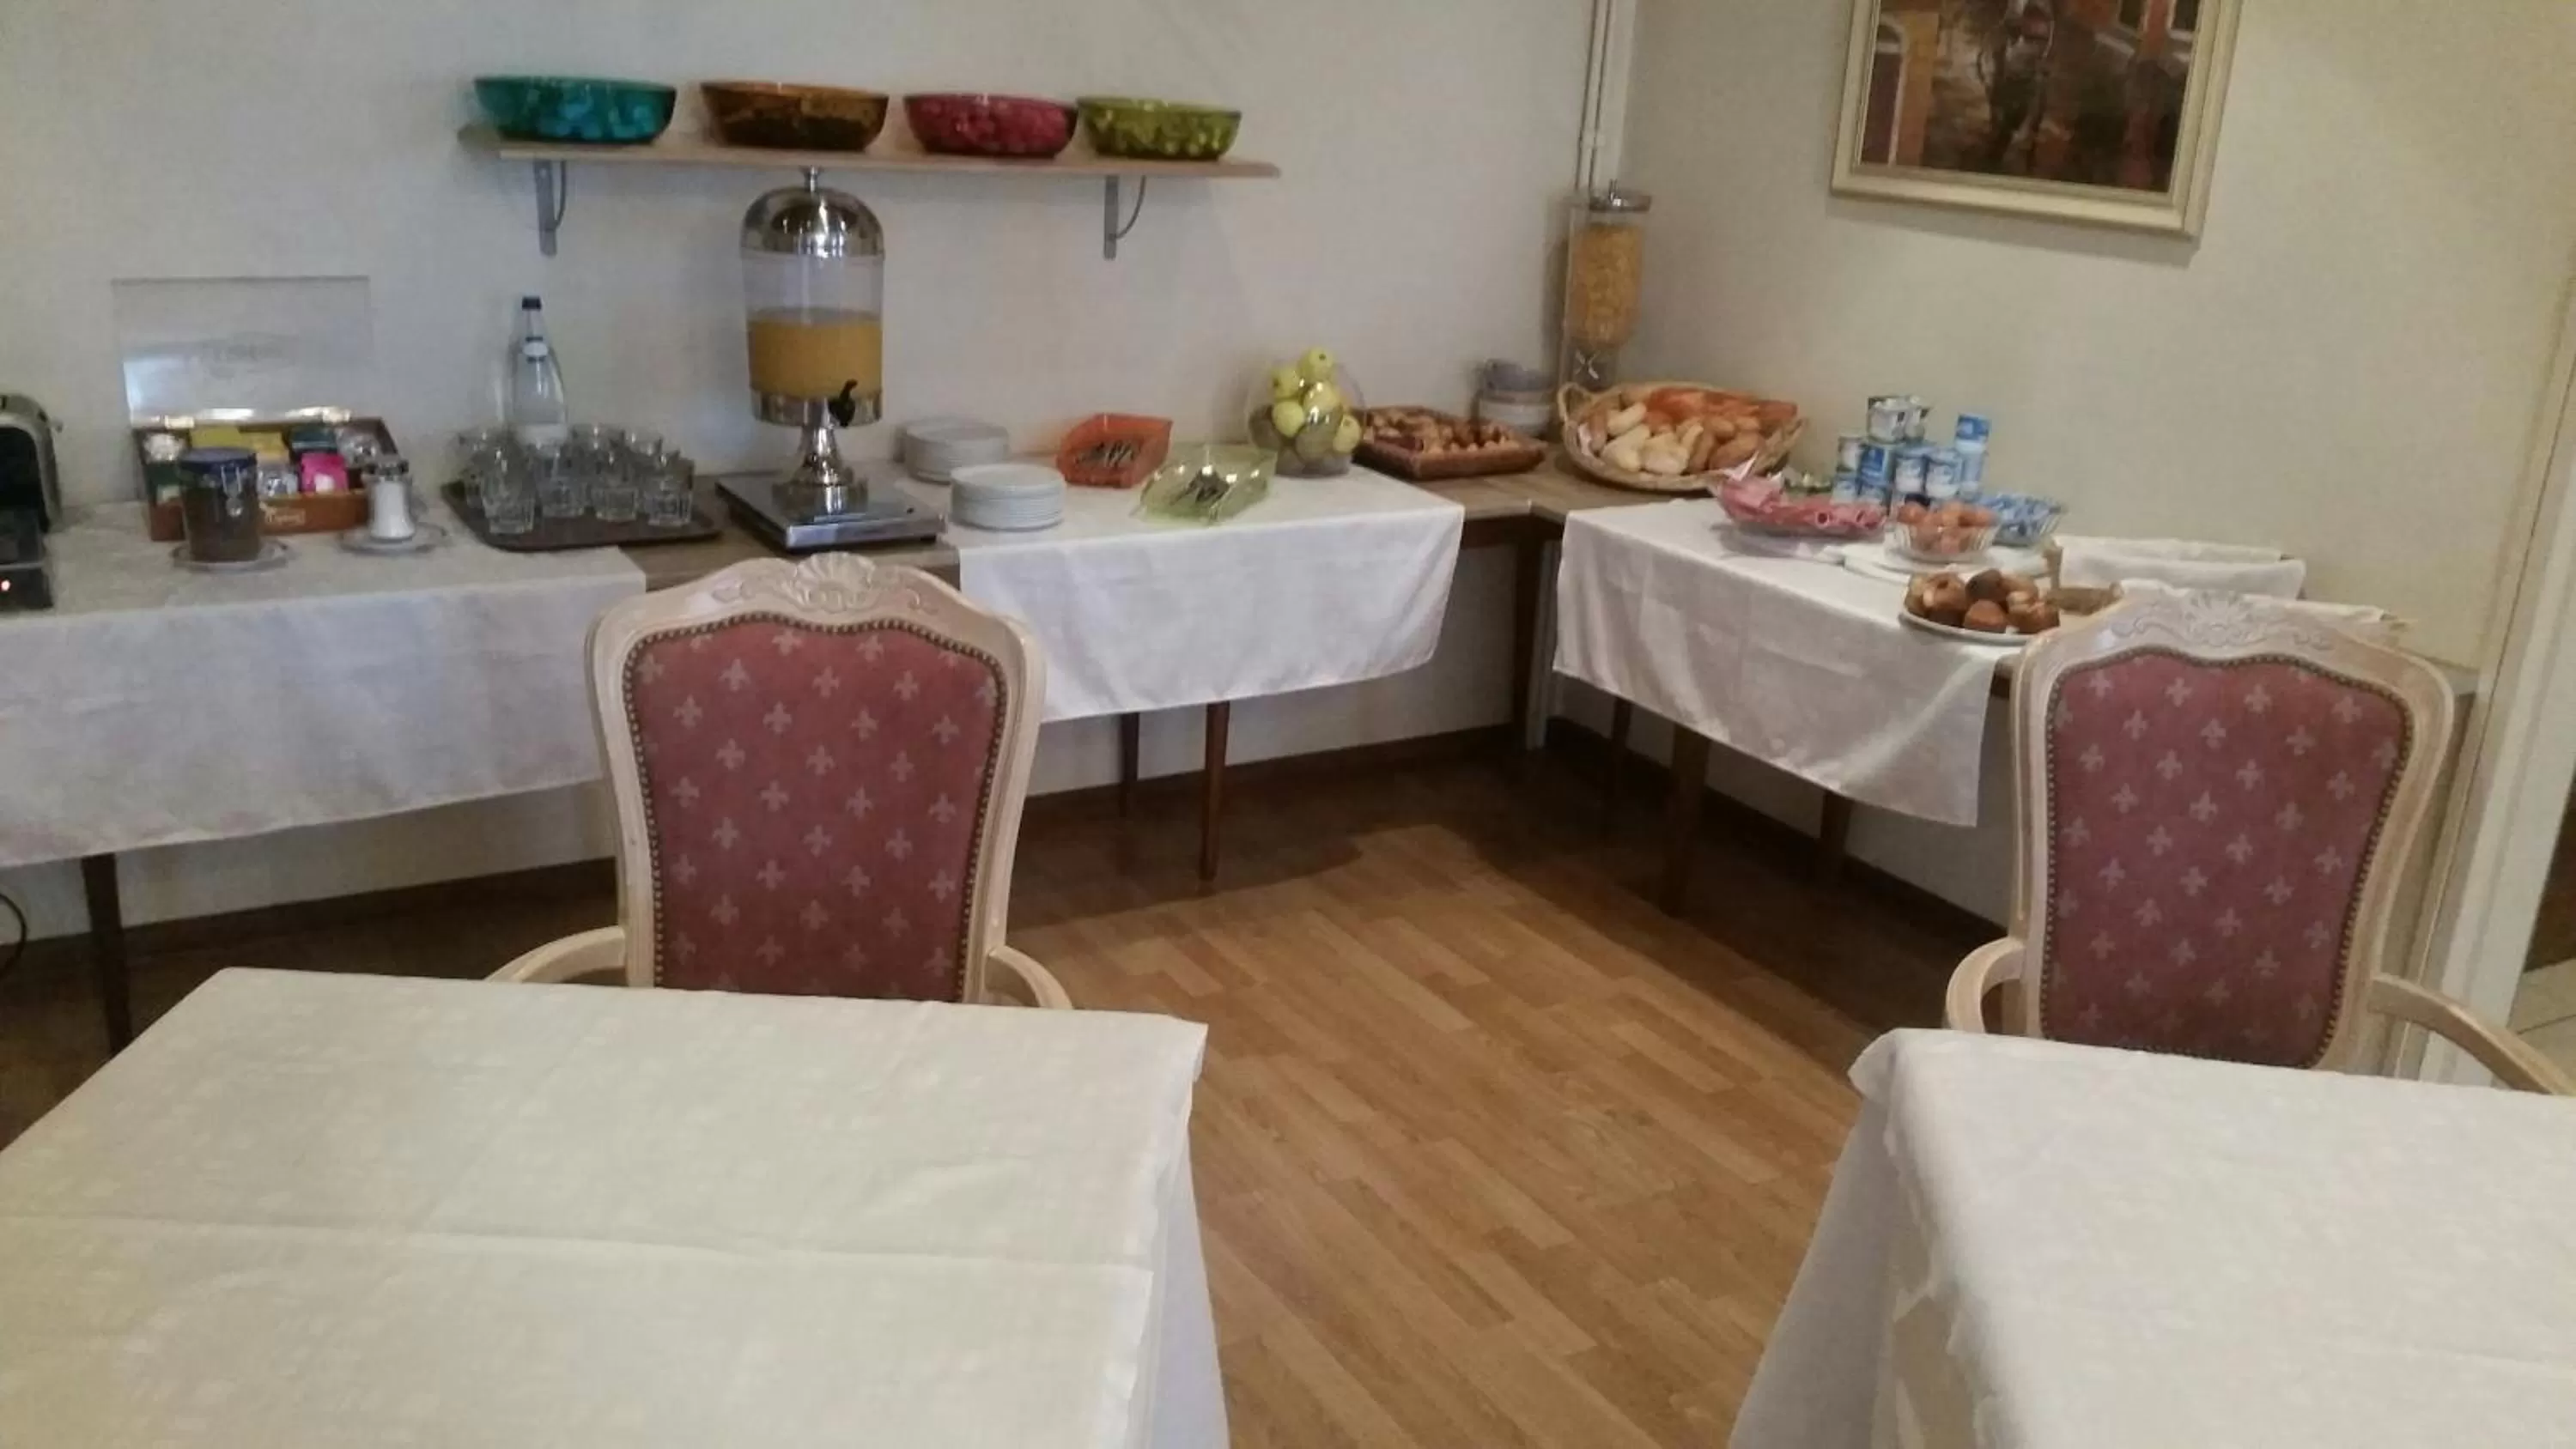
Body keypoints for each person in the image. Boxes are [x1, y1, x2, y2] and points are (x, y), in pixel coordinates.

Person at [1978, 2, 2055, 173]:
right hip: (2009, 78)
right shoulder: (2006, 44)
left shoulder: (2037, 72)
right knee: (2002, 125)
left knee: (2021, 129)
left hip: (2025, 80)